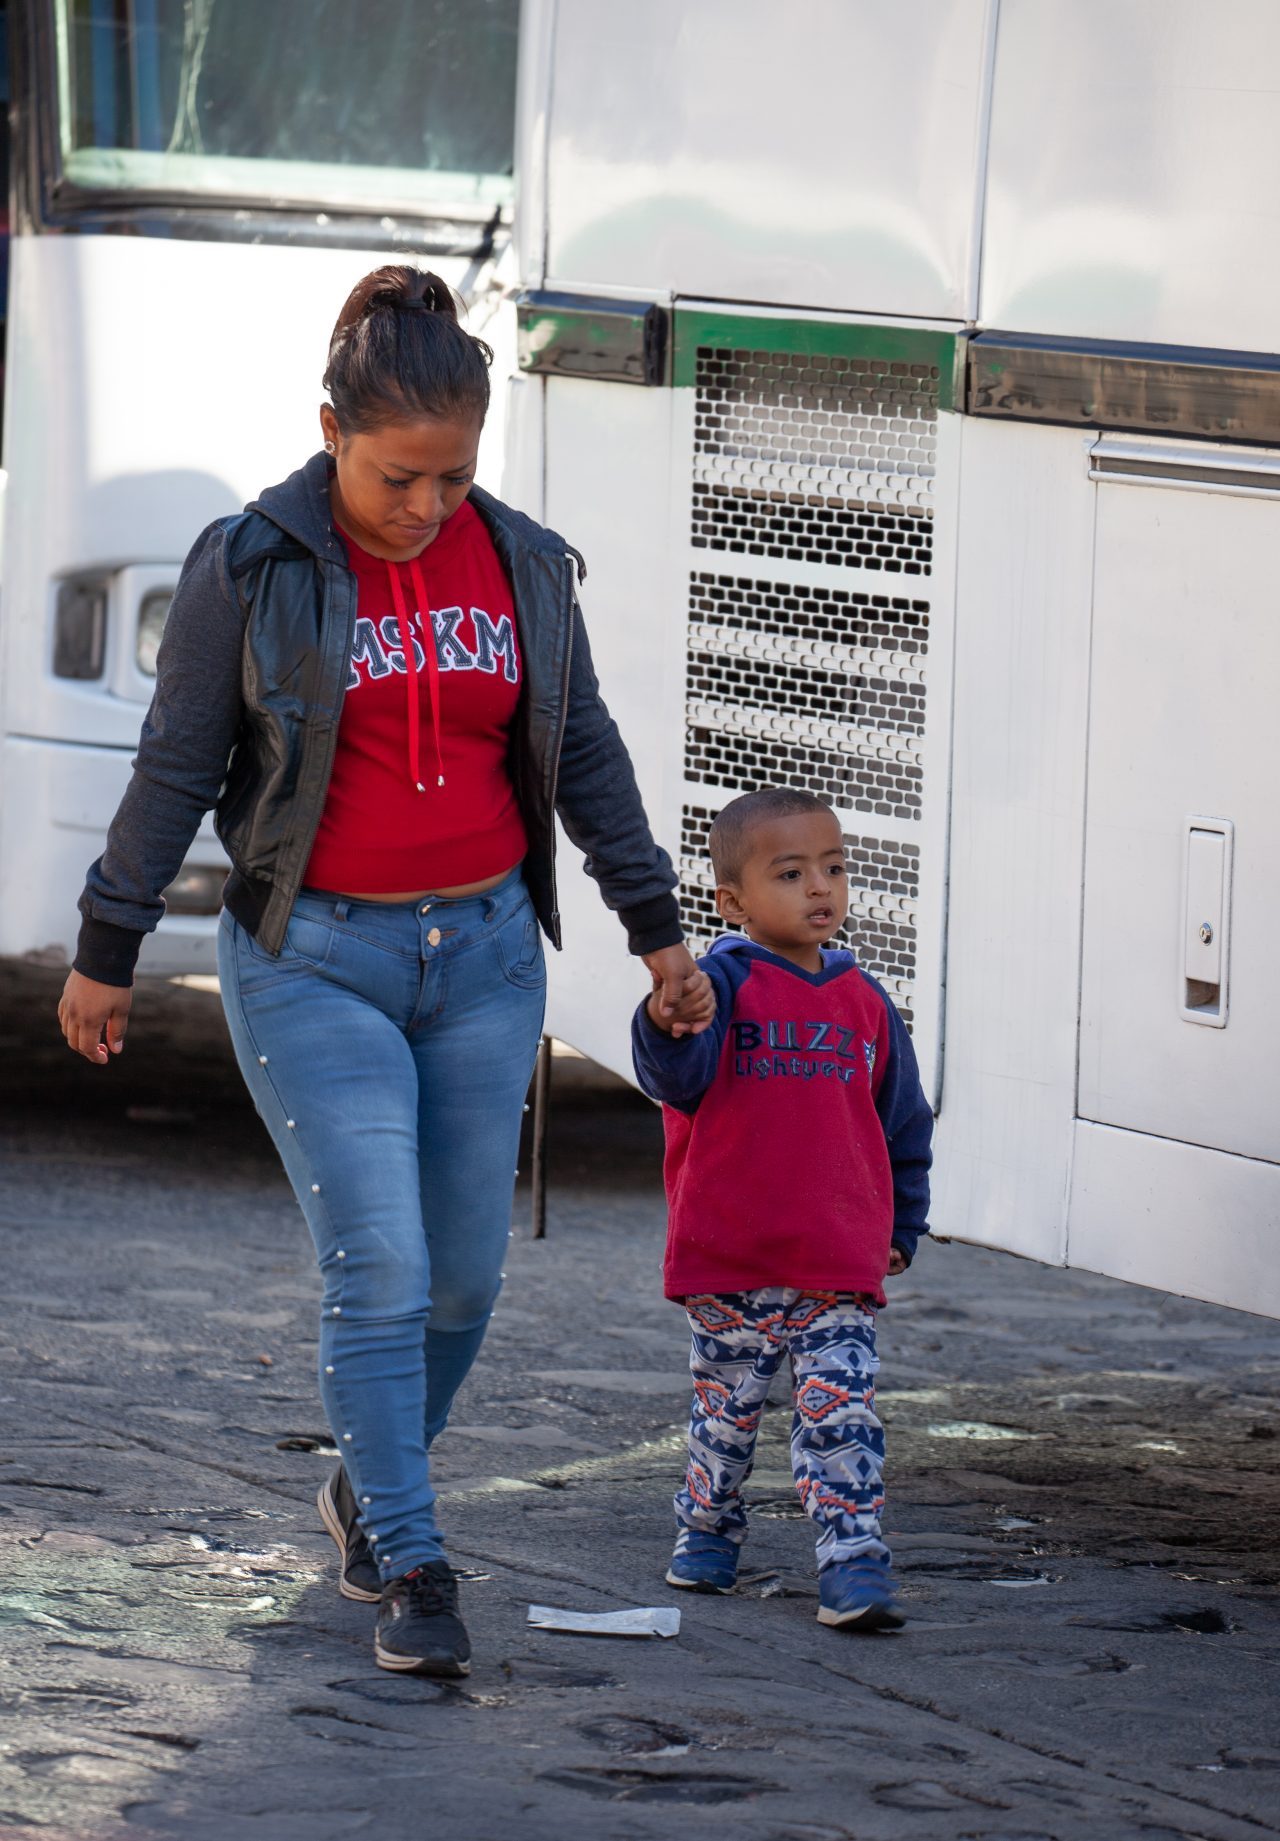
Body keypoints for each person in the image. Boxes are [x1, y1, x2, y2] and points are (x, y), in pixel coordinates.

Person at [58, 265, 710, 1679]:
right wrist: (108, 947)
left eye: (454, 477)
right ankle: (413, 1557)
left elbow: (580, 752)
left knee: (466, 1280)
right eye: (400, 476)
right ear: (331, 432)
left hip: (481, 958)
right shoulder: (253, 563)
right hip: (316, 959)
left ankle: (372, 1478)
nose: (427, 507)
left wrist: (658, 930)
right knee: (381, 1260)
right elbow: (177, 768)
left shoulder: (523, 560)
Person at [631, 787, 932, 1631]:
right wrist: (666, 1018)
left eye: (834, 868)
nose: (819, 888)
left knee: (842, 1411)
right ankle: (707, 1528)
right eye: (791, 872)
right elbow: (675, 1080)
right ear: (734, 900)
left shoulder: (866, 1002)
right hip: (731, 1258)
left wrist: (901, 1224)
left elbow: (903, 1122)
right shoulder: (718, 986)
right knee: (727, 1415)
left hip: (837, 1263)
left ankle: (854, 1558)